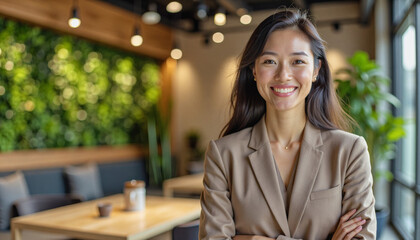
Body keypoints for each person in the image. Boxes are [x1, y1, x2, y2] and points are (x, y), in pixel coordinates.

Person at [199, 9, 376, 240]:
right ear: (254, 70)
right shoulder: (223, 155)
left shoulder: (349, 151)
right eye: (270, 61)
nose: (283, 75)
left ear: (316, 70)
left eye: (298, 61)